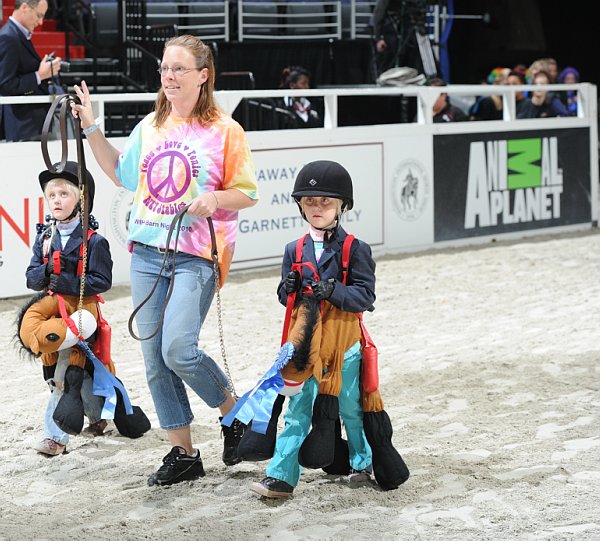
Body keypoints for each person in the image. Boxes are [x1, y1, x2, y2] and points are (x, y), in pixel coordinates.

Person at [70, 34, 259, 487]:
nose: (168, 77)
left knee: (178, 349)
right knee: (155, 359)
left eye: (178, 69)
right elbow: (121, 172)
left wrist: (213, 198)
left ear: (203, 75)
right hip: (149, 254)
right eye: (164, 70)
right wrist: (92, 127)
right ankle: (184, 453)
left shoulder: (225, 131)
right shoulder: (150, 127)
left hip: (197, 255)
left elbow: (247, 193)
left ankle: (234, 413)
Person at [251, 160, 375, 499]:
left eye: (325, 202)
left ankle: (363, 460)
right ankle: (280, 475)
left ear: (341, 206)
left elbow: (365, 296)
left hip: (342, 340)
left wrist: (333, 291)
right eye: (309, 201)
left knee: (350, 406)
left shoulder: (355, 249)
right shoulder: (294, 249)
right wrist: (287, 288)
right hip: (305, 340)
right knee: (298, 407)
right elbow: (284, 298)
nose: (316, 208)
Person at [25, 161, 112, 456]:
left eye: (64, 194)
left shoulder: (94, 241)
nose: (57, 200)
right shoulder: (45, 238)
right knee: (73, 370)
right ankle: (98, 416)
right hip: (53, 313)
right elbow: (31, 276)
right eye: (52, 195)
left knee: (66, 371)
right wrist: (48, 272)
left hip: (82, 312)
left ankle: (55, 436)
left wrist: (68, 281)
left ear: (81, 200)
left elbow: (102, 280)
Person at [0, 0, 64, 142]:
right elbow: (5, 85)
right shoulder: (8, 37)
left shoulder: (16, 34)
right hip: (24, 127)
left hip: (31, 125)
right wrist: (40, 75)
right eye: (38, 15)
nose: (40, 22)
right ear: (24, 8)